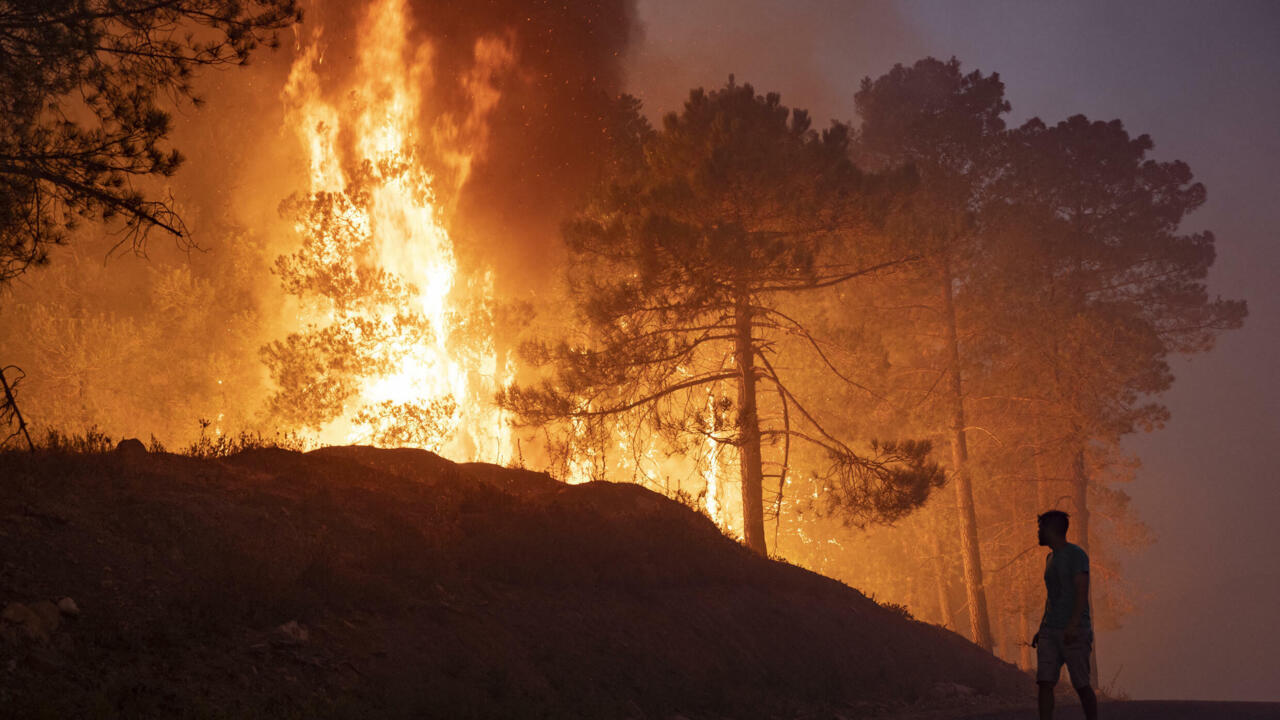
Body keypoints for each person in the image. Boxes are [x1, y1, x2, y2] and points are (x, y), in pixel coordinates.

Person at [1031, 510, 1098, 720]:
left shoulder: (1076, 555)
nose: (1038, 532)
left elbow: (1081, 590)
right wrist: (1042, 628)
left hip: (1074, 630)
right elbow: (1053, 596)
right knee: (1045, 682)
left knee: (1081, 684)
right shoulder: (1050, 558)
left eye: (1041, 528)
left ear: (1052, 530)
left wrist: (1074, 624)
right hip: (1050, 630)